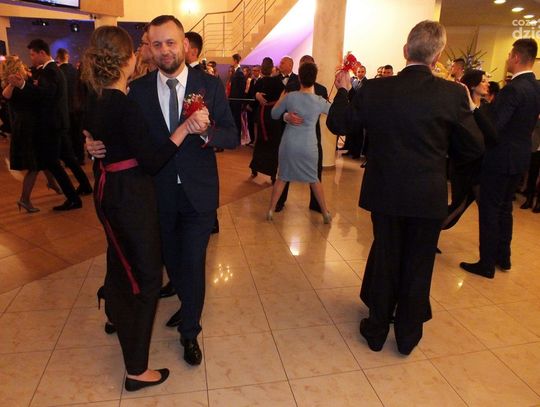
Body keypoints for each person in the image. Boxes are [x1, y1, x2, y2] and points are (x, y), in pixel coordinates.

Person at [87, 15, 238, 366]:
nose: (165, 50)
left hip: (199, 194)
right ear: (148, 50)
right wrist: (92, 144)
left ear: (184, 44)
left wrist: (206, 132)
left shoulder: (209, 85)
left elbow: (231, 135)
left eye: (170, 42)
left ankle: (190, 331)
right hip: (155, 194)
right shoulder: (137, 90)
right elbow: (121, 133)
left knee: (193, 262)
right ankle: (186, 303)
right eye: (156, 44)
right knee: (170, 260)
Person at [327, 20, 484, 355]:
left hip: (385, 190)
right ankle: (408, 336)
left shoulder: (376, 89)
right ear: (437, 56)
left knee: (386, 256)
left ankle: (376, 329)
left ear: (405, 50)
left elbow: (338, 123)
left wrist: (342, 90)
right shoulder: (451, 94)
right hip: (428, 193)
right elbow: (473, 147)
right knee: (419, 262)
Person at [460, 38, 540, 278]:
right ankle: (503, 258)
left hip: (500, 157)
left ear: (516, 57)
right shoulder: (536, 86)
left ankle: (486, 264)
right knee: (505, 209)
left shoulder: (514, 89)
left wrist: (474, 109)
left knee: (490, 210)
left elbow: (494, 128)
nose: (507, 60)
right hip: (520, 156)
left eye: (509, 55)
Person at [7, 39, 83, 211]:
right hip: (55, 123)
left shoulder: (50, 71)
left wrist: (23, 85)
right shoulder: (51, 70)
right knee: (56, 161)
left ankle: (73, 198)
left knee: (53, 163)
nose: (31, 58)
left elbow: (45, 95)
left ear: (42, 53)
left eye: (33, 54)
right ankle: (72, 195)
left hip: (52, 124)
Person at [267, 62, 331, 223]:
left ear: (299, 77)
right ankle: (325, 213)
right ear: (315, 78)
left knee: (282, 177)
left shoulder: (290, 96)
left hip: (289, 143)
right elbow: (334, 112)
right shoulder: (319, 100)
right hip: (308, 145)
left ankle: (271, 210)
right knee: (314, 178)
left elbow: (274, 114)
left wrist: (284, 112)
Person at [442, 69, 497, 230]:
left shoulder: (487, 108)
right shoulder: (461, 109)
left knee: (475, 208)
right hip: (464, 166)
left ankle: (426, 235)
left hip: (482, 165)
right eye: (483, 81)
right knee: (458, 207)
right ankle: (425, 234)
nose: (487, 84)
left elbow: (492, 135)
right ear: (472, 85)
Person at [249, 57, 284, 182]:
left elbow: (251, 93)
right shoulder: (278, 82)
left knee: (260, 141)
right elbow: (284, 96)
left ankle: (255, 167)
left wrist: (256, 95)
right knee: (273, 143)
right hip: (274, 114)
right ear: (272, 67)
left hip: (262, 114)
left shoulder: (259, 82)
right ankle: (272, 173)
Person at [229, 53, 246, 141]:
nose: (231, 62)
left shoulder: (240, 73)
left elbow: (241, 89)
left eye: (232, 60)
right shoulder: (236, 72)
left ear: (235, 61)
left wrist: (239, 100)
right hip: (233, 100)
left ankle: (237, 138)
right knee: (233, 119)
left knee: (236, 119)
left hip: (236, 101)